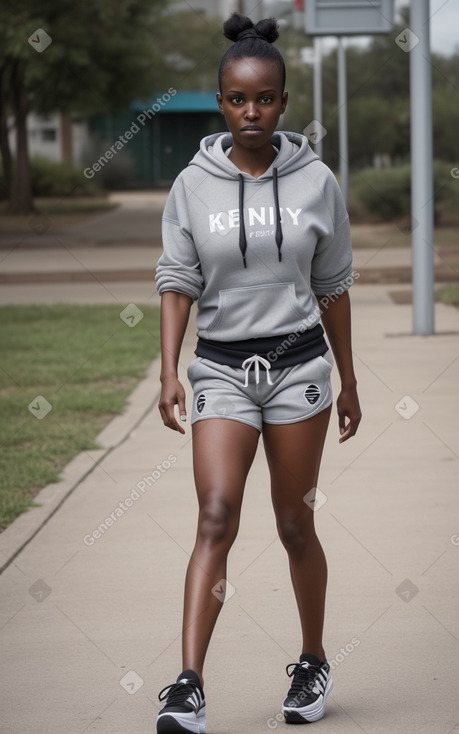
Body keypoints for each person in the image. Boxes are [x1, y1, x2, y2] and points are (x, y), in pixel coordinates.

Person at [154, 12, 361, 734]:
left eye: (265, 99)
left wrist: (351, 382)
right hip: (219, 370)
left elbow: (333, 284)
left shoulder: (316, 181)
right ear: (220, 102)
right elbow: (176, 279)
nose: (252, 112)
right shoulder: (191, 185)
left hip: (299, 367)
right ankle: (186, 685)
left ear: (282, 101)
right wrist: (168, 372)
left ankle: (311, 660)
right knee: (215, 514)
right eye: (239, 100)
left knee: (293, 522)